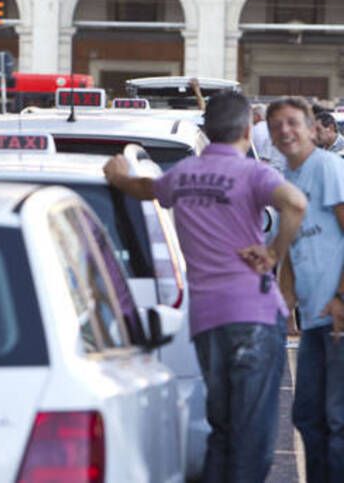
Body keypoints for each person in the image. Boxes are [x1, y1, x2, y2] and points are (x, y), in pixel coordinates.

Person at [103, 91, 307, 483]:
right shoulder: (253, 173)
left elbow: (147, 190)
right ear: (248, 129)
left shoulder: (183, 174)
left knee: (223, 430)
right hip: (254, 316)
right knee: (253, 439)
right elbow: (295, 203)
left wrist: (118, 177)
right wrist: (273, 251)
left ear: (206, 131)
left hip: (207, 320)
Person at [266, 96, 344, 482]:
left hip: (337, 314)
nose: (285, 131)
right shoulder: (288, 180)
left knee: (336, 420)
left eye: (293, 122)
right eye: (276, 125)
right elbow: (293, 249)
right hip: (314, 317)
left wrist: (340, 297)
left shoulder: (328, 168)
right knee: (307, 415)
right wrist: (283, 307)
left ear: (313, 127)